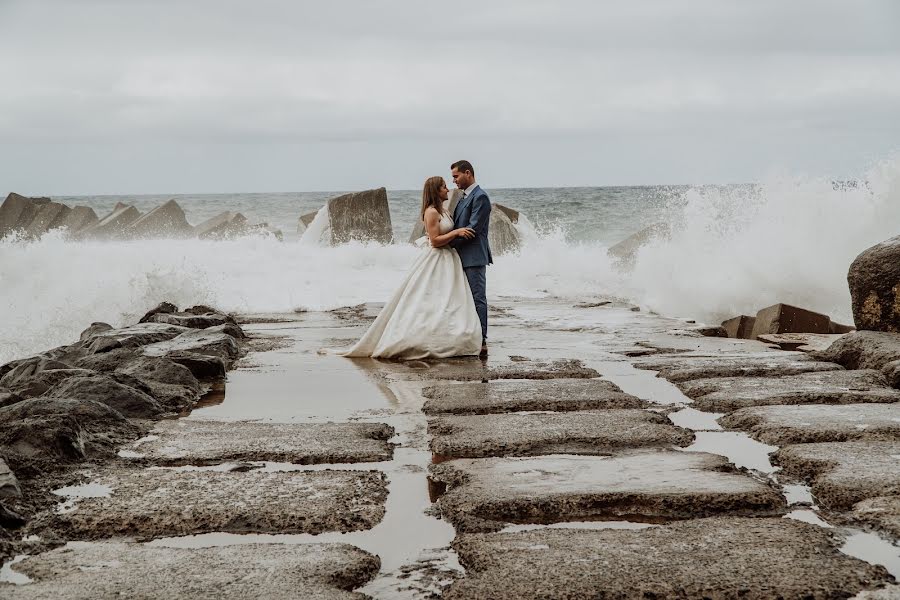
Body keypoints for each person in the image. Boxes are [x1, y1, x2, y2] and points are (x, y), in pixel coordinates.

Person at [340, 176, 483, 359]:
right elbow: (434, 241)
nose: (448, 190)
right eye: (444, 187)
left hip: (449, 259)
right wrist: (456, 232)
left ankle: (449, 335)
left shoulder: (444, 210)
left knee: (448, 301)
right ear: (435, 191)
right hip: (436, 259)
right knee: (429, 300)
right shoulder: (431, 212)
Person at [449, 160, 492, 357]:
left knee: (477, 298)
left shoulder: (480, 197)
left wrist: (447, 244)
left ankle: (482, 340)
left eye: (456, 176)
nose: (454, 181)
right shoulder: (463, 197)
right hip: (461, 255)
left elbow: (472, 229)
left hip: (474, 256)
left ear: (468, 173)